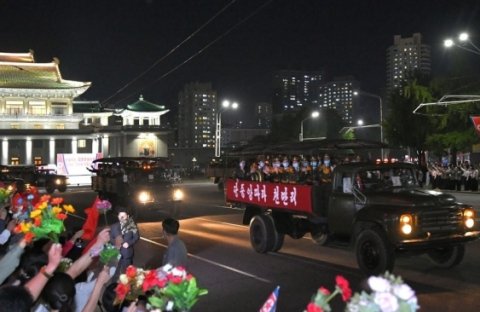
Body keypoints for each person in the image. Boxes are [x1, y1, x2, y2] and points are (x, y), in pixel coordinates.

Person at [110, 208, 140, 272]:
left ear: (128, 216)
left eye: (124, 216)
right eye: (120, 216)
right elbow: (111, 238)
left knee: (127, 273)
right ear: (118, 217)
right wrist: (116, 242)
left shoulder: (132, 226)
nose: (122, 217)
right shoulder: (113, 226)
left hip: (127, 253)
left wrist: (129, 243)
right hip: (116, 253)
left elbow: (136, 237)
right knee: (115, 273)